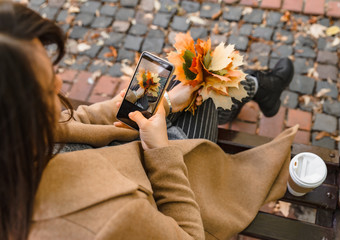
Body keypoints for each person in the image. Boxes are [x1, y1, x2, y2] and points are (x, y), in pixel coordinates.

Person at [0, 2, 298, 240]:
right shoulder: (107, 221)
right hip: (173, 186)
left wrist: (145, 106)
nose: (58, 82)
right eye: (46, 83)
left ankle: (257, 89)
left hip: (129, 150)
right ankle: (262, 87)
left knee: (183, 85)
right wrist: (160, 151)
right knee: (203, 88)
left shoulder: (13, 146)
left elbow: (64, 127)